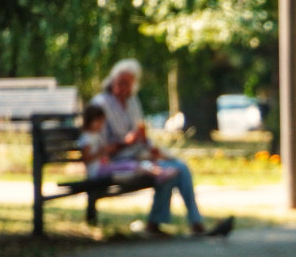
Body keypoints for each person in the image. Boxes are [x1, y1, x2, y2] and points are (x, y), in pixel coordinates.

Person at [90, 59, 230, 238]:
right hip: (119, 161)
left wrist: (150, 147)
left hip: (139, 155)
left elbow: (140, 133)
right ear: (112, 80)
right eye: (119, 83)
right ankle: (160, 224)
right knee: (169, 172)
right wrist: (126, 142)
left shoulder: (132, 101)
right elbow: (100, 148)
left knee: (181, 167)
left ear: (134, 85)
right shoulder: (100, 104)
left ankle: (195, 222)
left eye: (127, 84)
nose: (122, 88)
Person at [78, 103, 178, 184]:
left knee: (133, 165)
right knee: (130, 166)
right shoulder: (87, 138)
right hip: (98, 172)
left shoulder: (95, 136)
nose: (101, 125)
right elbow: (86, 159)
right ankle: (159, 174)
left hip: (103, 168)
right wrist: (101, 152)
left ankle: (158, 172)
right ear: (91, 120)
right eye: (100, 122)